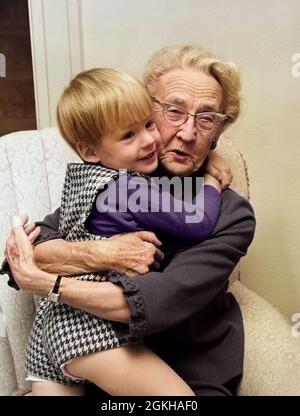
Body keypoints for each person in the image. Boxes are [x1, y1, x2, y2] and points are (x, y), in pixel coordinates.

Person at [5, 44, 256, 396]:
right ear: (148, 110)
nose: (187, 133)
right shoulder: (116, 177)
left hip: (186, 368)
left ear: (218, 132)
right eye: (173, 112)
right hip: (91, 352)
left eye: (206, 118)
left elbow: (160, 300)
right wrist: (101, 253)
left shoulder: (232, 213)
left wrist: (51, 277)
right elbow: (25, 253)